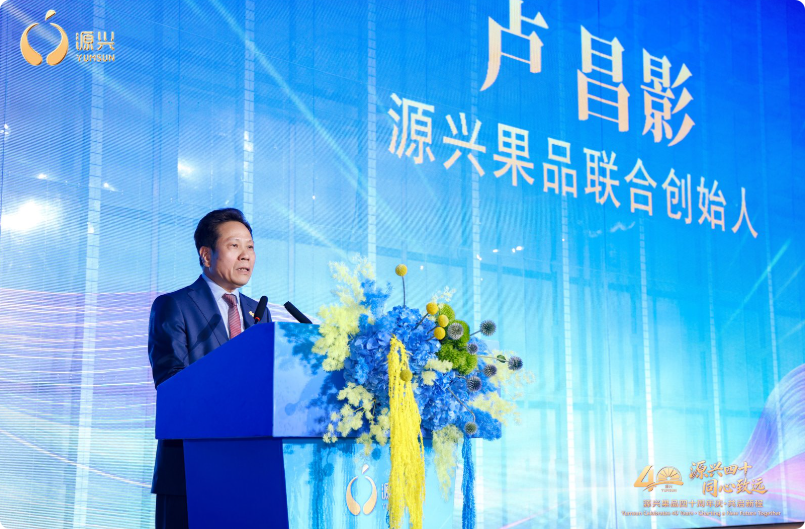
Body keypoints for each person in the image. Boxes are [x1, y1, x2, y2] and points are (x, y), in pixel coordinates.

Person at [147, 208, 296, 529]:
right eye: (234, 246)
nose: (246, 255)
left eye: (250, 247)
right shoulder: (174, 305)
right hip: (189, 469)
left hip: (250, 468)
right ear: (206, 255)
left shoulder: (258, 313)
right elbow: (171, 383)